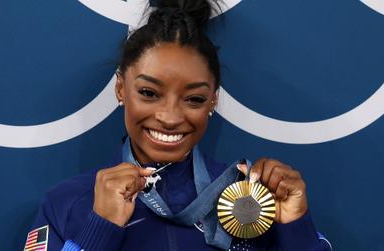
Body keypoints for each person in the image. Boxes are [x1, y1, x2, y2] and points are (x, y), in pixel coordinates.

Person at [24, 0, 332, 250]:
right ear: (120, 89)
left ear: (213, 101)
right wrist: (99, 229)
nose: (170, 117)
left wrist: (296, 228)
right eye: (149, 93)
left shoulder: (254, 198)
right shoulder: (68, 201)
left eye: (194, 99)